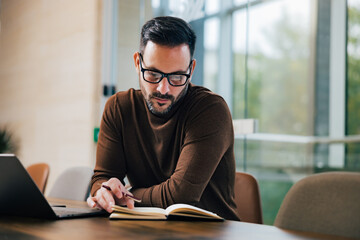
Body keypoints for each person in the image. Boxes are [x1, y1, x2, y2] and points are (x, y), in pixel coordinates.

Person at [87, 16, 240, 221]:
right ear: (137, 63)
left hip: (210, 232)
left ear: (191, 70)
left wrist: (126, 194)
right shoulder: (119, 108)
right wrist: (103, 191)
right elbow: (102, 177)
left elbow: (179, 196)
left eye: (177, 77)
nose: (163, 89)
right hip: (143, 229)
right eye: (153, 74)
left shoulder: (210, 110)